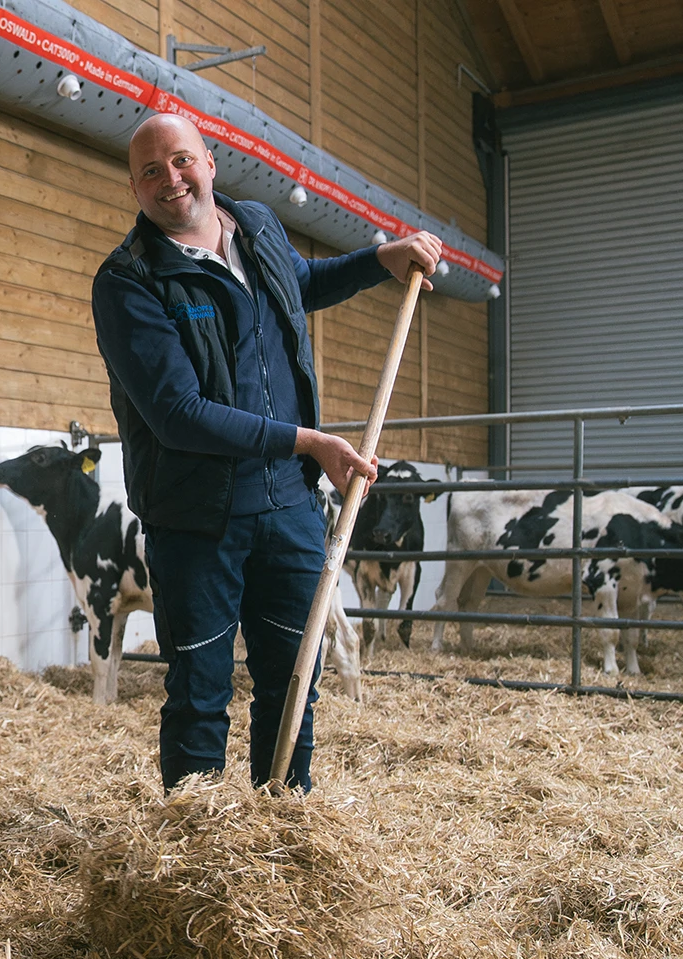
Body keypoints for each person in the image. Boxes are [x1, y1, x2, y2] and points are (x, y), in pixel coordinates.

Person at [92, 113, 441, 794]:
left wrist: (379, 260)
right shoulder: (129, 281)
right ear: (134, 186)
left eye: (182, 160)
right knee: (199, 691)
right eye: (152, 171)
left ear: (210, 163)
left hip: (288, 508)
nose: (172, 180)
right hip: (198, 521)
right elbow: (177, 414)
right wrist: (306, 440)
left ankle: (283, 835)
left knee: (293, 684)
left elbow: (296, 284)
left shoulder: (256, 226)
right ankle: (196, 851)